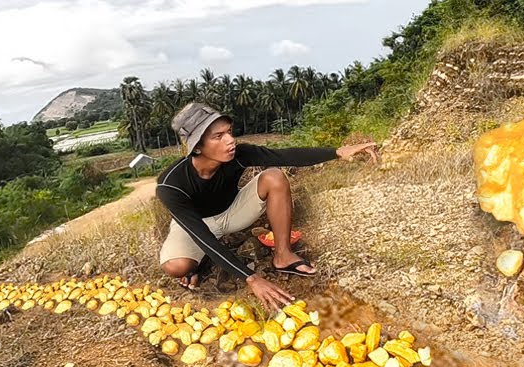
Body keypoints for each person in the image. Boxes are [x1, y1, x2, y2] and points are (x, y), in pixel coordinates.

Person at [155, 102, 379, 309]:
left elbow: (284, 155)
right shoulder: (170, 185)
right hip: (197, 225)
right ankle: (199, 264)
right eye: (218, 136)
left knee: (274, 176)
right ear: (197, 147)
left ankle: (283, 255)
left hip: (233, 212)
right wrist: (251, 278)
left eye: (229, 132)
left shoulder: (239, 155)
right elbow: (201, 235)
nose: (230, 140)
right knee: (176, 267)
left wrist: (338, 152)